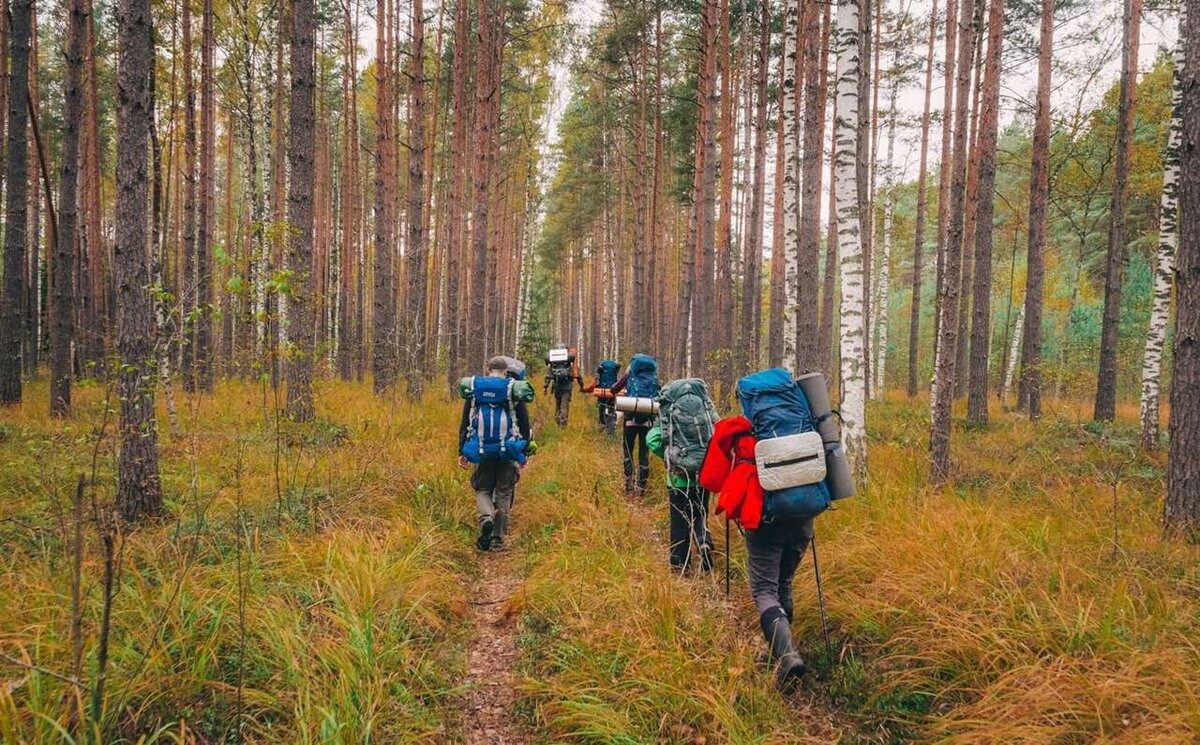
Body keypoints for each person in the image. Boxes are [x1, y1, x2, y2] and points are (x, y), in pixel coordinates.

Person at [700, 414, 810, 691]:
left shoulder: (742, 427)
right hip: (803, 515)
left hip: (764, 518)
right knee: (783, 583)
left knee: (764, 590)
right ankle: (780, 653)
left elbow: (714, 470)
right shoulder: (802, 424)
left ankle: (787, 656)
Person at [458, 356, 534, 552]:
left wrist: (462, 451)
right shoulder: (511, 389)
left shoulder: (476, 389)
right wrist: (522, 452)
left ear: (488, 369)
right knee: (504, 492)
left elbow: (465, 423)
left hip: (482, 450)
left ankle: (486, 517)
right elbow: (524, 424)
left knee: (482, 489)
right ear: (505, 371)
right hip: (507, 450)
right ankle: (498, 539)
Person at [648, 423, 714, 572]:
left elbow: (651, 439)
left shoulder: (669, 411)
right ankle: (704, 541)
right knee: (700, 514)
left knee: (679, 521)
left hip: (677, 480)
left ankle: (680, 565)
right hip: (702, 477)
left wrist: (669, 457)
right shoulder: (704, 409)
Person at [609, 354, 659, 499]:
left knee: (628, 451)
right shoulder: (653, 377)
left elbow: (614, 389)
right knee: (644, 454)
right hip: (647, 421)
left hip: (630, 419)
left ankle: (629, 485)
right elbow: (659, 394)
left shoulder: (630, 374)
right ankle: (641, 488)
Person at [543, 345, 584, 427]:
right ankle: (563, 424)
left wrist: (545, 387)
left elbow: (548, 376)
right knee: (564, 405)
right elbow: (578, 375)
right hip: (567, 388)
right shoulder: (570, 365)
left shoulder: (554, 365)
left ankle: (557, 420)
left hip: (557, 387)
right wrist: (581, 386)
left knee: (558, 404)